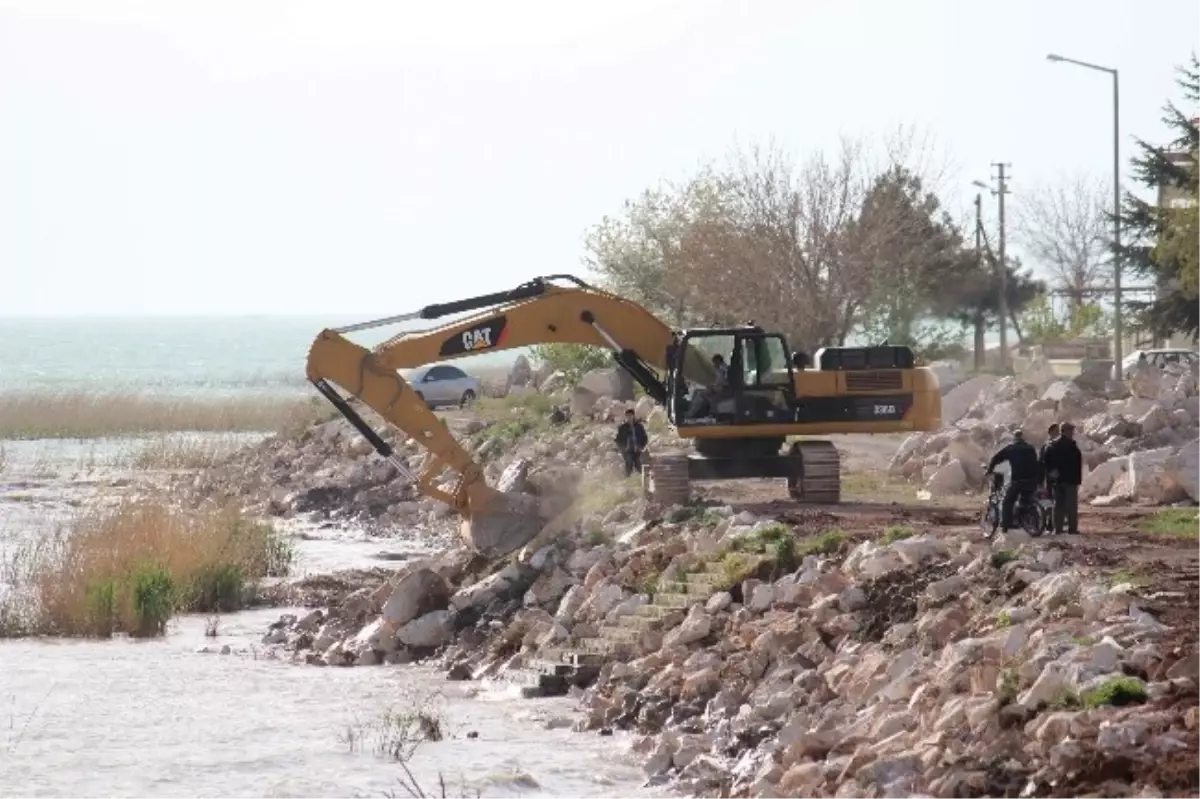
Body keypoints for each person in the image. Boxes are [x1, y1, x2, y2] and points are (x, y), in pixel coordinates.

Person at [986, 429, 1041, 532]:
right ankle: (1034, 523)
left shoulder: (1011, 449)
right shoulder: (1030, 448)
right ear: (1023, 438)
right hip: (1032, 480)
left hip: (1018, 480)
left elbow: (996, 458)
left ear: (1014, 439)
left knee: (1008, 501)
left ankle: (1007, 525)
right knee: (1028, 501)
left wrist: (990, 470)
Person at [1042, 421, 1083, 535]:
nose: (1072, 432)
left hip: (1059, 480)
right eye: (1070, 430)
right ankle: (1072, 529)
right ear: (1064, 431)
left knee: (1059, 505)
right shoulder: (1069, 445)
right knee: (1070, 506)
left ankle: (1058, 529)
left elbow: (1046, 460)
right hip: (1069, 480)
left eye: (1072, 430)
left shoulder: (1053, 445)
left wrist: (1052, 472)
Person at [614, 407, 648, 477]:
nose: (629, 417)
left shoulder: (639, 426)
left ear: (633, 416)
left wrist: (641, 446)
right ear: (626, 416)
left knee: (638, 464)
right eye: (628, 416)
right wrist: (622, 448)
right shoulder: (622, 428)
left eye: (631, 415)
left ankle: (644, 479)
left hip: (637, 449)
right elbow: (618, 439)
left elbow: (645, 438)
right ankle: (627, 478)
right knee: (629, 463)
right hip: (627, 450)